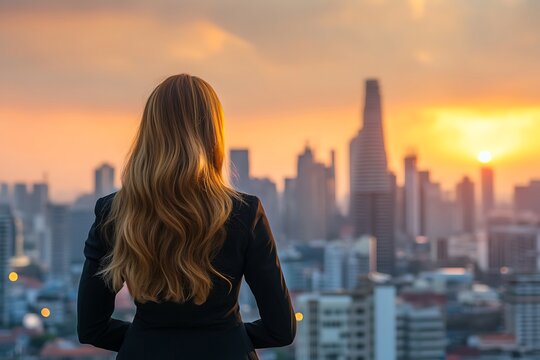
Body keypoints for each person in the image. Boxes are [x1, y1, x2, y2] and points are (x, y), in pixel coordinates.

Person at [76, 74, 296, 359]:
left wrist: (150, 341)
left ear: (150, 131)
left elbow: (91, 328)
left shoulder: (114, 212)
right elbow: (281, 329)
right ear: (213, 132)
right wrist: (226, 338)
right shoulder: (244, 213)